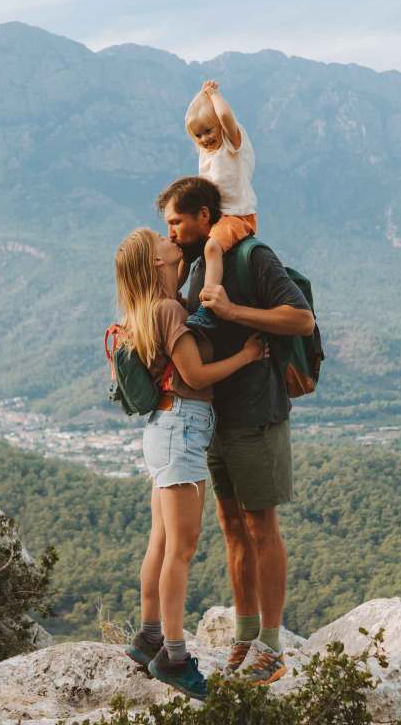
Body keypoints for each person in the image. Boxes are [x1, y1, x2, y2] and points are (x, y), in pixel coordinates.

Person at [156, 176, 315, 686]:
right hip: (216, 419)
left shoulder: (252, 257)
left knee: (262, 528)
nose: (173, 232)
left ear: (205, 216)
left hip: (257, 414)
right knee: (231, 527)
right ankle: (246, 636)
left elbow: (301, 319)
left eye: (177, 222)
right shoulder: (201, 263)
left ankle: (271, 644)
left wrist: (232, 311)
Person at [114, 227, 268, 700]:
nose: (169, 239)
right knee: (181, 548)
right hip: (181, 428)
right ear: (156, 263)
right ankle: (175, 656)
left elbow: (202, 303)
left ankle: (149, 636)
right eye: (161, 241)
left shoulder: (149, 310)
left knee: (161, 542)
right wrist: (245, 356)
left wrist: (213, 253)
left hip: (165, 431)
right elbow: (195, 374)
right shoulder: (166, 310)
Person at [181, 80, 257, 335]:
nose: (205, 138)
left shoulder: (232, 144)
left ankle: (208, 308)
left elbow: (225, 115)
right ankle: (168, 294)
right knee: (183, 246)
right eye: (198, 135)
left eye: (209, 130)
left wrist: (213, 94)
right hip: (215, 216)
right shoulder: (206, 153)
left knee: (212, 246)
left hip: (238, 216)